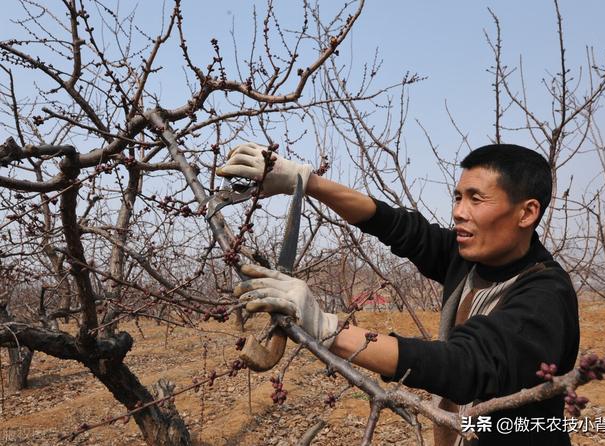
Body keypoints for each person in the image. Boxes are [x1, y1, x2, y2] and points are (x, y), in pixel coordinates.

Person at [219, 142, 580, 445]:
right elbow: (395, 225)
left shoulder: (544, 298)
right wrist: (306, 181)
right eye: (457, 197)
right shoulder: (468, 256)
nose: (458, 212)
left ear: (526, 212)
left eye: (476, 199)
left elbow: (461, 365)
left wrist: (324, 325)